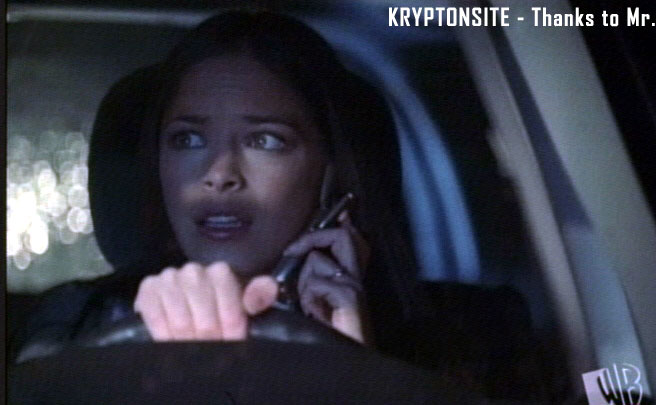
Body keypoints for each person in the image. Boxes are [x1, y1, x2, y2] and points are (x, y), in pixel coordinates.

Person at [13, 10, 560, 401]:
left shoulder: (478, 341)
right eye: (188, 139)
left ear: (330, 172)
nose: (220, 173)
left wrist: (356, 374)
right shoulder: (67, 328)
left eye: (266, 140)